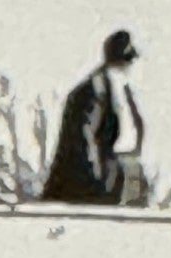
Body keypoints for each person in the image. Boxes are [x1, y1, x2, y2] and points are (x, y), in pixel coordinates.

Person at [42, 31, 147, 207]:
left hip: (117, 170)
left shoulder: (116, 84)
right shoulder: (95, 88)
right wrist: (98, 175)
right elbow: (85, 136)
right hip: (94, 178)